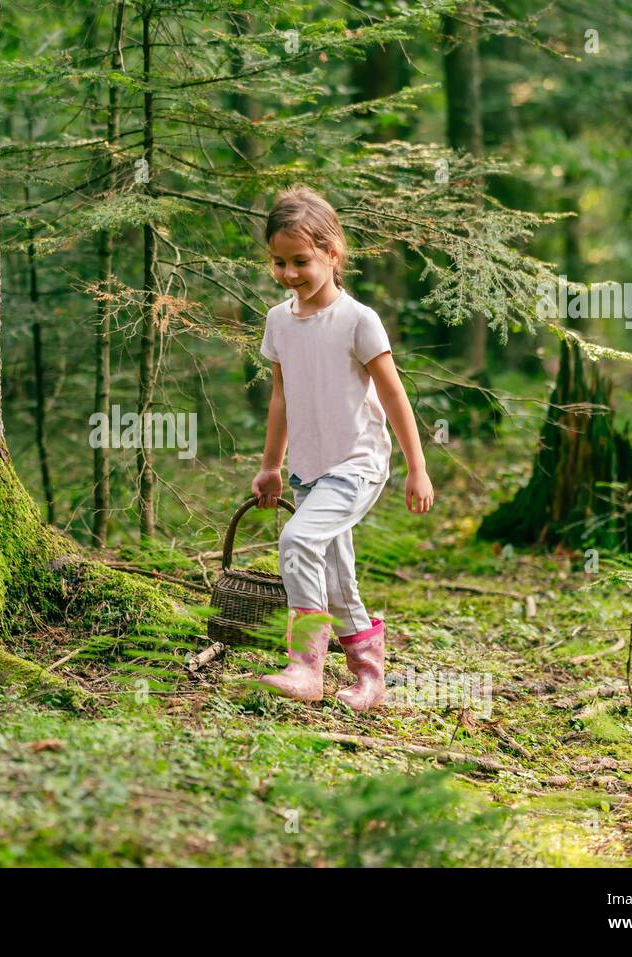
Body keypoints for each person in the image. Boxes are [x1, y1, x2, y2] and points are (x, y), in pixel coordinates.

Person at [251, 185, 434, 712]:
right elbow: (280, 398)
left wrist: (417, 469)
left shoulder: (358, 320)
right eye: (279, 262)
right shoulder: (279, 320)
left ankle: (306, 667)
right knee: (335, 574)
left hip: (357, 465)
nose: (289, 273)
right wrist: (271, 467)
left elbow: (395, 395)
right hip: (309, 470)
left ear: (333, 255)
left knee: (297, 541)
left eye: (301, 261)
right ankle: (369, 679)